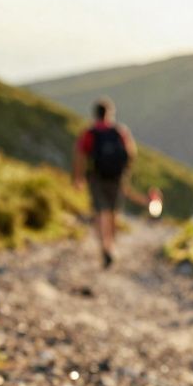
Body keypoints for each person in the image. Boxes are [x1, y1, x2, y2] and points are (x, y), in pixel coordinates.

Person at [72, 97, 138, 268]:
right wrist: (125, 173)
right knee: (113, 211)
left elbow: (80, 155)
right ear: (109, 114)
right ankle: (111, 245)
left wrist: (79, 178)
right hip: (116, 178)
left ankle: (104, 246)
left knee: (100, 211)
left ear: (95, 114)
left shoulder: (90, 133)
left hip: (96, 178)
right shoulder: (119, 131)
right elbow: (131, 153)